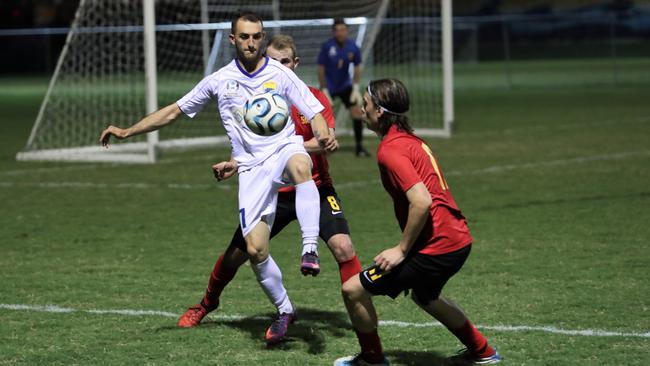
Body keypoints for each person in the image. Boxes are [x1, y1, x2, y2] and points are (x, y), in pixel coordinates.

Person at [100, 10, 337, 327]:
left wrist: (322, 131)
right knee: (254, 250)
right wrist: (128, 131)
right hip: (251, 167)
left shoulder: (281, 75)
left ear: (262, 38)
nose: (251, 43)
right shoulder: (220, 80)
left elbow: (315, 110)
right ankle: (285, 310)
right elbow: (173, 112)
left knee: (299, 165)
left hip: (283, 149)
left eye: (256, 37)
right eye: (244, 37)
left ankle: (309, 248)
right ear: (232, 39)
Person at [177, 35, 385, 357]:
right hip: (269, 189)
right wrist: (237, 163)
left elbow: (324, 140)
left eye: (284, 62)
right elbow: (250, 149)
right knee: (237, 255)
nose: (278, 68)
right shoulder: (257, 99)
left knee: (344, 246)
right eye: (273, 62)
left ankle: (360, 308)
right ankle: (206, 303)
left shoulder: (312, 98)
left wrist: (291, 147)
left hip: (312, 185)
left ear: (295, 64)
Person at [333, 78, 502, 365]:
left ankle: (372, 359)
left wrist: (400, 250)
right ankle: (483, 351)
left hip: (437, 247)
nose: (362, 107)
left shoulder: (391, 150)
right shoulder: (411, 141)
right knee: (426, 296)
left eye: (367, 102)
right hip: (456, 239)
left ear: (381, 111)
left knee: (353, 290)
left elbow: (422, 200)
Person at [317, 18, 369, 157]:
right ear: (333, 32)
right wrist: (324, 88)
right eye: (337, 30)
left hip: (345, 86)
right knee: (322, 115)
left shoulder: (353, 47)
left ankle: (359, 147)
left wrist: (356, 87)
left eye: (343, 30)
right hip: (330, 86)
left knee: (357, 112)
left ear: (347, 31)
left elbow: (358, 66)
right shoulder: (327, 46)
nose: (340, 33)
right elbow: (321, 68)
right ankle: (323, 147)